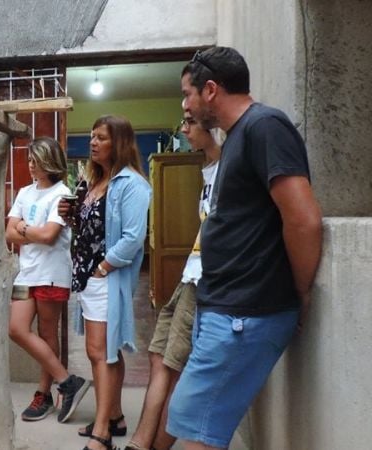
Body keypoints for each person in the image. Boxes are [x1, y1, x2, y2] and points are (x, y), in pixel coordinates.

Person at [167, 46, 323, 450]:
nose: (186, 104)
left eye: (188, 94)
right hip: (226, 309)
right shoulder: (238, 136)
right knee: (192, 423)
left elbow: (303, 219)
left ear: (212, 90)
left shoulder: (265, 126)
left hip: (244, 313)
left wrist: (301, 290)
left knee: (197, 436)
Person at [124, 111, 221, 450]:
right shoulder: (207, 170)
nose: (183, 129)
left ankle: (154, 445)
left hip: (205, 281)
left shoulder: (230, 172)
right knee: (159, 357)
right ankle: (140, 442)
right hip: (189, 275)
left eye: (190, 122)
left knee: (175, 365)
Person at [59, 115, 152, 450]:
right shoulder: (91, 180)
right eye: (92, 136)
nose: (93, 142)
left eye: (102, 137)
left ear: (120, 143)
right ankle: (114, 416)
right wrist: (70, 215)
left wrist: (103, 267)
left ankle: (102, 432)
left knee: (101, 352)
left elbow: (132, 237)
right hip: (87, 277)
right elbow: (86, 231)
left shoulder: (132, 185)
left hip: (104, 277)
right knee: (101, 350)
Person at [6, 137, 90, 423]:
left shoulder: (62, 194)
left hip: (52, 273)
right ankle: (67, 382)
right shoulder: (24, 192)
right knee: (16, 329)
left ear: (49, 162)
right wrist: (31, 231)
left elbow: (48, 236)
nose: (31, 165)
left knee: (47, 334)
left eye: (36, 160)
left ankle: (43, 394)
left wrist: (24, 227)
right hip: (26, 271)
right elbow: (9, 233)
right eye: (29, 160)